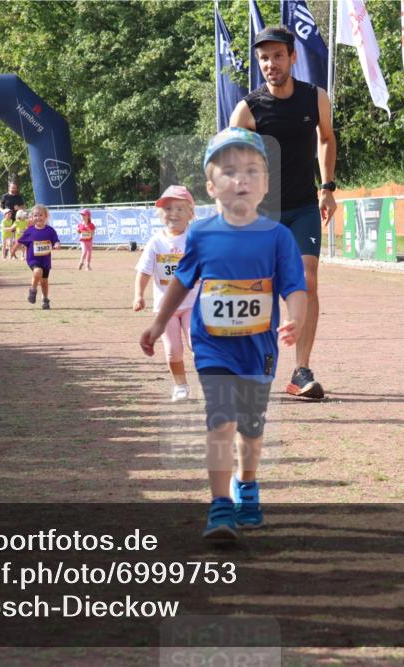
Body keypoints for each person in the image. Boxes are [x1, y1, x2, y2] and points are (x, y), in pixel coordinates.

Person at [140, 128, 307, 540]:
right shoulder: (201, 234)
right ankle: (219, 506)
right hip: (212, 345)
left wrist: (297, 318)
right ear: (212, 186)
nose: (242, 179)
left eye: (252, 170)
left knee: (251, 425)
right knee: (221, 419)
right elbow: (181, 280)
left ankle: (247, 485)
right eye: (229, 171)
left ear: (266, 184)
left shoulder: (278, 236)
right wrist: (159, 322)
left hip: (259, 348)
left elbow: (295, 287)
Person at [230, 25, 335, 400]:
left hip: (304, 206)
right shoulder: (248, 109)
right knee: (263, 289)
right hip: (264, 213)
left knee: (307, 281)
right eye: (263, 58)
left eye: (277, 55)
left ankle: (301, 370)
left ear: (292, 57)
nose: (270, 63)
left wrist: (327, 188)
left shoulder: (314, 98)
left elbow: (326, 138)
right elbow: (228, 159)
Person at [134, 185, 199, 402]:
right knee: (173, 351)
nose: (174, 213)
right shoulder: (156, 241)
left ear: (191, 213)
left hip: (194, 304)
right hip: (166, 308)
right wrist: (139, 295)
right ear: (162, 214)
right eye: (169, 208)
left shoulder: (196, 238)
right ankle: (181, 386)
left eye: (180, 208)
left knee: (199, 346)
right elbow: (144, 271)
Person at [16, 204, 60, 309]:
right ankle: (33, 289)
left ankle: (45, 299)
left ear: (46, 216)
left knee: (44, 281)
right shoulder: (30, 230)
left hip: (45, 260)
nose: (38, 217)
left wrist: (57, 244)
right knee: (37, 271)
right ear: (32, 217)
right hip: (33, 259)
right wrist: (13, 251)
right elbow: (20, 241)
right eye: (35, 215)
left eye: (40, 215)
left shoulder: (50, 230)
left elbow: (56, 240)